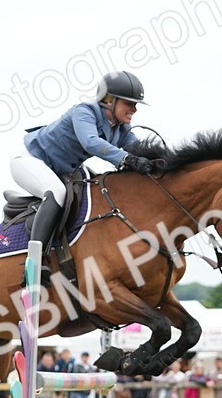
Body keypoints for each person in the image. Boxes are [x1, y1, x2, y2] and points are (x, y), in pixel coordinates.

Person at [10, 70, 160, 282]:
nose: (134, 109)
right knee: (57, 193)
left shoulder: (121, 129)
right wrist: (127, 160)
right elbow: (91, 142)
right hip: (30, 160)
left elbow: (137, 149)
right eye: (129, 103)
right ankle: (35, 263)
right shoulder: (84, 111)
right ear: (109, 100)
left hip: (63, 170)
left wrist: (159, 161)